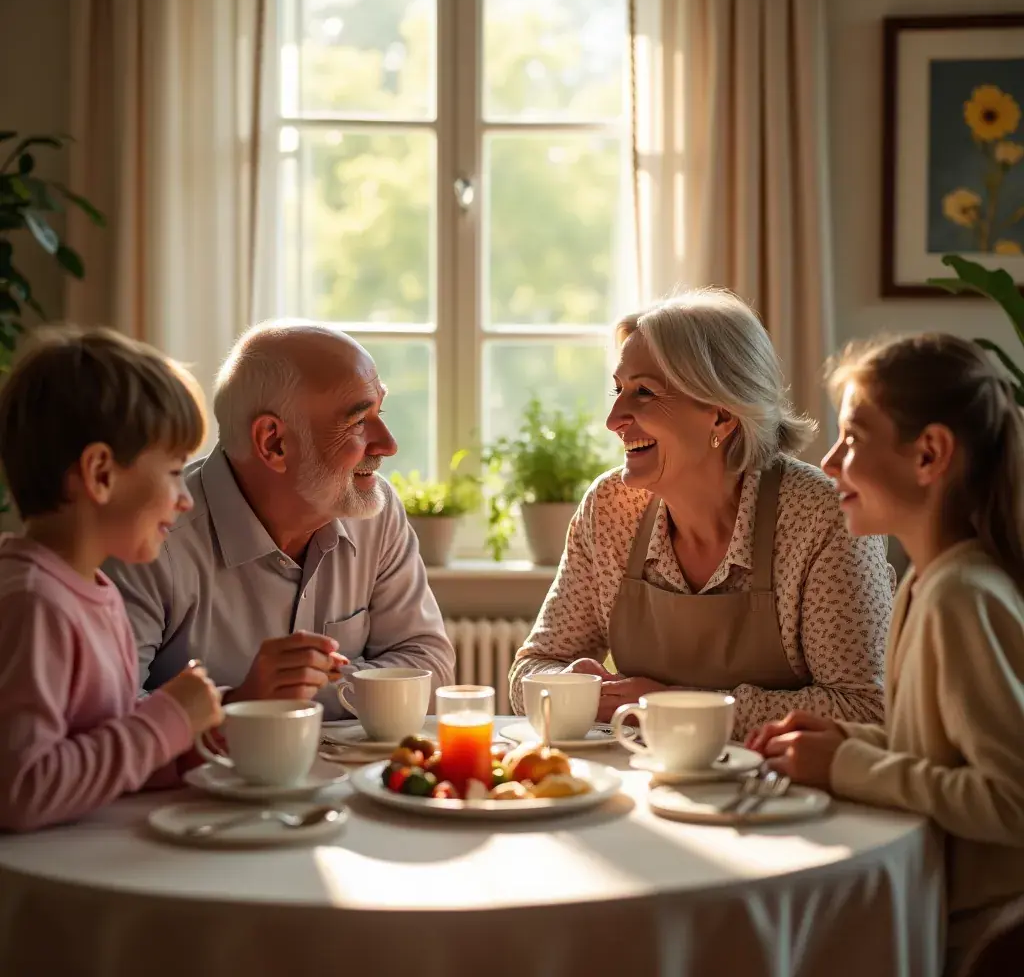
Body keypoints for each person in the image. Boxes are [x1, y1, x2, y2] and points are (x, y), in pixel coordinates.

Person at [746, 333, 1024, 974]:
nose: (829, 461)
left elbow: (1011, 801)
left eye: (853, 438)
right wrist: (847, 739)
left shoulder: (961, 596)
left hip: (986, 942)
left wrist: (844, 765)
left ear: (929, 454)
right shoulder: (925, 583)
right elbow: (937, 758)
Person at [509, 289, 895, 737]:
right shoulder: (610, 509)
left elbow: (865, 708)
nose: (614, 418)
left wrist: (671, 707)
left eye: (644, 393)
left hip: (782, 793)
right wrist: (571, 688)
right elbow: (530, 672)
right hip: (650, 780)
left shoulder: (821, 515)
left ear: (720, 416)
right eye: (618, 390)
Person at [105, 321, 455, 719]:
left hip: (351, 780)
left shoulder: (375, 509)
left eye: (380, 412)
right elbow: (110, 719)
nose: (388, 444)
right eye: (359, 421)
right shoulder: (151, 534)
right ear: (273, 442)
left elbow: (430, 668)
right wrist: (245, 701)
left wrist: (300, 692)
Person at [0, 327, 223, 832]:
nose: (185, 498)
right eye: (172, 472)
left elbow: (98, 751)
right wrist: (167, 720)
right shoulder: (33, 602)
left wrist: (187, 745)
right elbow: (20, 789)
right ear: (101, 472)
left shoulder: (95, 591)